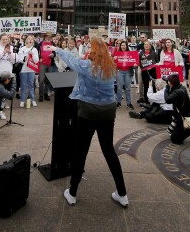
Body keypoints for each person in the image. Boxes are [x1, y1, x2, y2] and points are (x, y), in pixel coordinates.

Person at [46, 38, 129, 208]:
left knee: (81, 150)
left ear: (92, 51)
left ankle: (73, 192)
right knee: (109, 151)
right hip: (108, 111)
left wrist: (56, 48)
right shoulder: (112, 66)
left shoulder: (86, 67)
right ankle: (122, 193)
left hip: (88, 111)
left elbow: (71, 60)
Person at [164, 72, 190, 145]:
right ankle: (182, 129)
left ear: (171, 83)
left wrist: (166, 88)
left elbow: (167, 100)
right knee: (172, 131)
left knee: (174, 139)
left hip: (184, 117)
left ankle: (189, 130)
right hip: (179, 115)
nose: (167, 82)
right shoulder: (180, 87)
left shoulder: (178, 91)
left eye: (168, 81)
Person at [16, 35, 40, 108]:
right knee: (23, 86)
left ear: (33, 41)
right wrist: (25, 57)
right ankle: (22, 100)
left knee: (31, 85)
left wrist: (33, 56)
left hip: (31, 70)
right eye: (29, 39)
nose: (30, 40)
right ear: (26, 40)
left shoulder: (34, 49)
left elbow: (37, 60)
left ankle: (32, 100)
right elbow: (19, 58)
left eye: (31, 39)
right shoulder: (22, 48)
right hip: (23, 70)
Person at [137, 40, 158, 104]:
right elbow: (139, 62)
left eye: (147, 44)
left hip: (153, 70)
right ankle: (146, 100)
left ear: (150, 45)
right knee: (145, 85)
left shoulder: (154, 53)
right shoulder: (140, 53)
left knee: (154, 85)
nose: (146, 45)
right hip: (144, 71)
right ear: (143, 46)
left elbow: (157, 62)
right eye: (145, 44)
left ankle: (155, 99)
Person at [114, 40, 134, 109]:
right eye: (122, 45)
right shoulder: (117, 53)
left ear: (126, 46)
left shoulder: (130, 53)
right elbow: (114, 63)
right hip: (120, 71)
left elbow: (133, 61)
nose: (123, 46)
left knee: (128, 88)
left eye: (124, 45)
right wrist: (114, 59)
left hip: (128, 71)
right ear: (120, 46)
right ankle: (118, 102)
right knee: (119, 88)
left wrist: (134, 64)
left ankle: (129, 103)